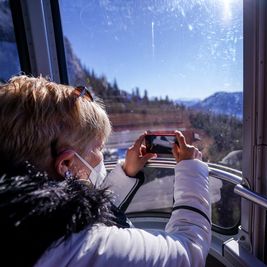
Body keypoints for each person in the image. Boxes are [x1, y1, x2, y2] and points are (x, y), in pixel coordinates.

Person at [0, 75, 211, 266]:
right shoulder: (83, 247)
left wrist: (126, 173)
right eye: (99, 147)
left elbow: (76, 211)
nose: (102, 155)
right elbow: (189, 250)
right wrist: (191, 168)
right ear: (65, 164)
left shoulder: (21, 217)